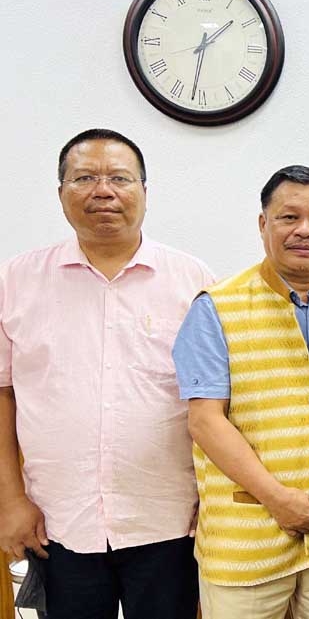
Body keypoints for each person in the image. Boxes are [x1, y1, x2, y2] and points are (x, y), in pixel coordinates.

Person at [0, 128, 214, 618]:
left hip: (169, 518)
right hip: (57, 522)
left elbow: (220, 402)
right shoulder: (14, 281)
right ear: (61, 193)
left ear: (143, 190)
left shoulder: (194, 281)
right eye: (84, 178)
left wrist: (217, 500)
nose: (103, 191)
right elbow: (3, 394)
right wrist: (9, 500)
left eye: (119, 177)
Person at [175, 165, 309, 618]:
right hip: (246, 539)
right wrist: (277, 499)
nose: (304, 230)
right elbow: (205, 420)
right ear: (263, 224)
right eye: (288, 217)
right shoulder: (217, 308)